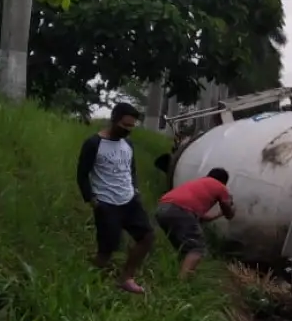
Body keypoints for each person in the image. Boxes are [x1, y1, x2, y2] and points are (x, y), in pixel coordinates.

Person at [76, 102, 155, 294]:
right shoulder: (94, 143)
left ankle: (126, 277)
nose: (128, 130)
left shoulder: (128, 144)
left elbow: (131, 168)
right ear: (114, 119)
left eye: (131, 126)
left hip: (129, 200)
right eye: (125, 125)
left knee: (147, 237)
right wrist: (92, 200)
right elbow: (82, 174)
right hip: (106, 203)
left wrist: (134, 188)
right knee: (107, 249)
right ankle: (89, 282)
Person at [155, 167, 236, 278]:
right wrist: (230, 206)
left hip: (162, 208)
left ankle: (176, 275)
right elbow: (229, 214)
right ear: (224, 181)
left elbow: (201, 218)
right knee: (196, 249)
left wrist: (219, 214)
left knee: (185, 249)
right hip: (180, 211)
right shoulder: (221, 187)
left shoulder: (198, 183)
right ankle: (181, 283)